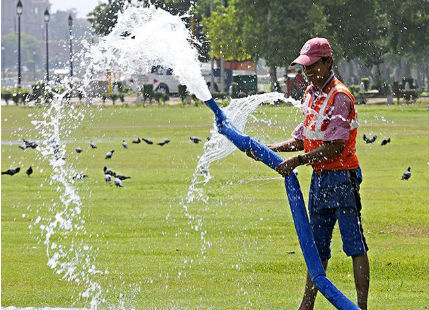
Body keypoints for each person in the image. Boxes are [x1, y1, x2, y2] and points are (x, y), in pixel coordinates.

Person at [247, 37, 370, 310]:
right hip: (320, 178)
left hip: (342, 177)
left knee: (354, 245)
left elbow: (336, 146)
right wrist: (266, 150)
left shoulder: (339, 96)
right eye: (305, 68)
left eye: (313, 66)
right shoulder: (312, 94)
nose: (308, 73)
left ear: (328, 62)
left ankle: (362, 306)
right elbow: (303, 139)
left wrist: (297, 161)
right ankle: (306, 306)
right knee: (316, 248)